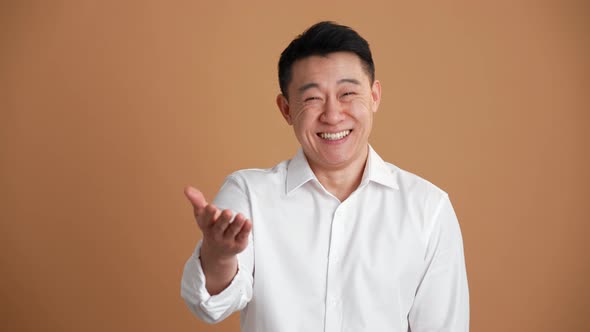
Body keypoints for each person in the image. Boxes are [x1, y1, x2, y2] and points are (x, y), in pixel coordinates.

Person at [181, 21, 469, 332]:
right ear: (286, 109)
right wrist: (219, 255)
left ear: (374, 96)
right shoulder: (249, 194)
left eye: (347, 93)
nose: (332, 115)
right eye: (312, 98)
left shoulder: (428, 208)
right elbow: (208, 307)